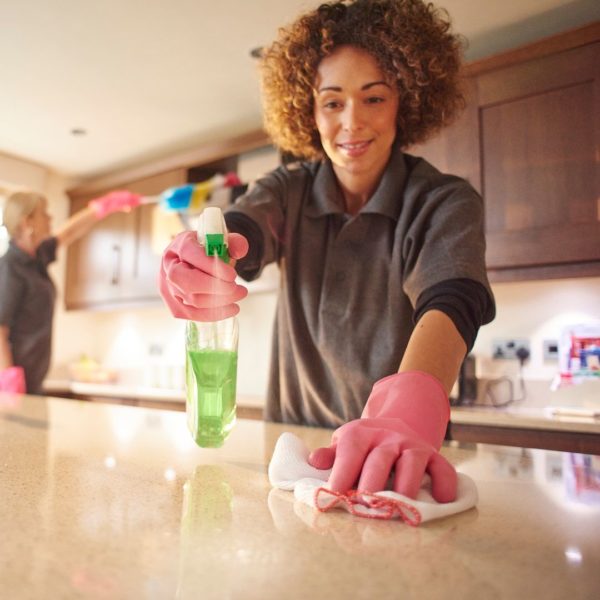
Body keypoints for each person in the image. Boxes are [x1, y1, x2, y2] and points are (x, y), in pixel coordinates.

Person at [159, 0, 495, 502]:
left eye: (374, 98)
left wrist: (404, 414)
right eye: (332, 101)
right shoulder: (288, 190)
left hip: (396, 455)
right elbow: (244, 230)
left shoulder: (443, 201)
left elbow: (453, 301)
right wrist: (205, 255)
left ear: (406, 101)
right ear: (308, 110)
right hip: (295, 451)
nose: (351, 122)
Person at [0, 189, 141, 395]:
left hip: (33, 383)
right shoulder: (10, 268)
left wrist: (103, 207)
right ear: (26, 222)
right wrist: (8, 381)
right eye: (44, 213)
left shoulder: (36, 258)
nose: (50, 217)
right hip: (14, 388)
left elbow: (69, 232)